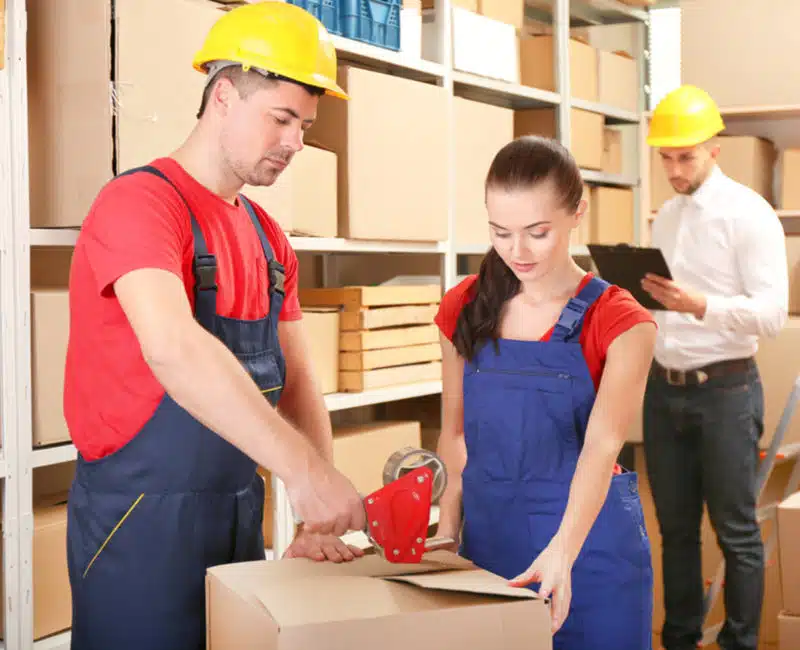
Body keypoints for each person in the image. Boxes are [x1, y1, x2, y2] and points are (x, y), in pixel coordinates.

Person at [63, 4, 367, 649]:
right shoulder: (139, 204)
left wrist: (315, 520)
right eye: (280, 119)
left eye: (305, 126)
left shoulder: (266, 237)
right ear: (224, 96)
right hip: (138, 526)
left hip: (236, 516)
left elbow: (299, 383)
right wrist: (303, 475)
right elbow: (174, 348)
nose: (294, 143)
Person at [433, 135, 657, 649]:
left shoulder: (621, 321)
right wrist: (448, 529)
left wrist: (563, 551)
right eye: (501, 233)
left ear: (578, 211)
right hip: (490, 545)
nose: (518, 251)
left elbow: (602, 447)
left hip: (590, 549)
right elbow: (456, 432)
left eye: (537, 232)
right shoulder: (463, 307)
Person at [642, 84, 789, 650]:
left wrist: (698, 304)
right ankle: (679, 640)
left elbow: (771, 315)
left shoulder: (748, 215)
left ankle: (739, 643)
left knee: (736, 533)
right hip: (664, 391)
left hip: (726, 392)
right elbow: (664, 306)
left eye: (686, 157)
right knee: (675, 533)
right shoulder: (666, 219)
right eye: (666, 158)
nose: (674, 170)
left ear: (714, 150)